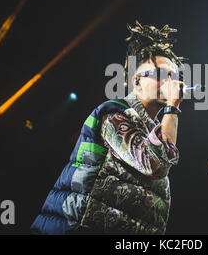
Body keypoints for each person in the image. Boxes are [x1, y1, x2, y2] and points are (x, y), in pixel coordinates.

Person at [31, 20, 188, 234]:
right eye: (160, 74)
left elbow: (163, 154)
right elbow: (155, 163)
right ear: (137, 81)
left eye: (173, 76)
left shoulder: (151, 128)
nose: (169, 82)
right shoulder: (114, 113)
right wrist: (172, 107)